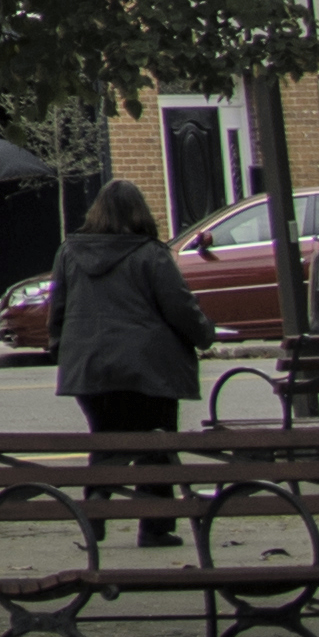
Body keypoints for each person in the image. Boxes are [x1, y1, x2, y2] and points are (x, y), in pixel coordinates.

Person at [49, 176, 214, 553]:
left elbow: (57, 310)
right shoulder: (151, 254)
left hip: (90, 367)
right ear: (140, 212)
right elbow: (180, 307)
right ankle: (155, 527)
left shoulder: (68, 254)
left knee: (106, 441)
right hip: (150, 366)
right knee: (156, 445)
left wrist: (64, 350)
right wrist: (206, 334)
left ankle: (96, 515)